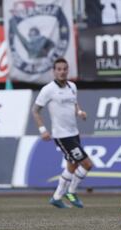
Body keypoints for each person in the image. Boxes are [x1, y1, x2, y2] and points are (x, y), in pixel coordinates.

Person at [31, 57, 93, 208]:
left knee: (71, 166)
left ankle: (57, 197)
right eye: (59, 69)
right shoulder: (48, 90)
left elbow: (74, 102)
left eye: (64, 69)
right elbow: (35, 110)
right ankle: (71, 192)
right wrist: (43, 130)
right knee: (87, 164)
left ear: (67, 70)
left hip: (74, 133)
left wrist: (79, 112)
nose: (62, 72)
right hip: (62, 135)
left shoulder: (72, 86)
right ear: (54, 71)